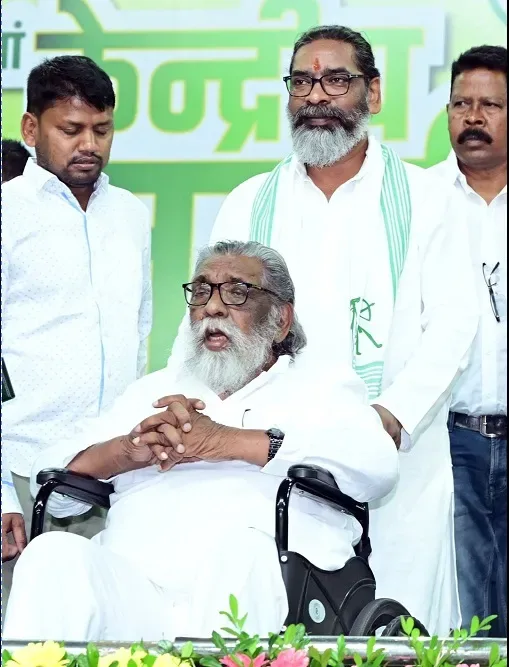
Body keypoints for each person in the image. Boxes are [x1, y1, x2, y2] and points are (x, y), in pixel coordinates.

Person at [167, 26, 479, 635]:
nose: (316, 96)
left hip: (397, 467)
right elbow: (205, 317)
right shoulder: (249, 201)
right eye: (302, 82)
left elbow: (454, 325)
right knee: (277, 631)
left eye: (336, 80)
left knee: (400, 634)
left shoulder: (427, 197)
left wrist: (391, 417)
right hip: (274, 464)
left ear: (373, 93)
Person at [4, 241, 399, 641]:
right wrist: (126, 452)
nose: (212, 307)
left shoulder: (320, 387)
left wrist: (228, 442)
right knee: (51, 555)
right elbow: (50, 480)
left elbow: (377, 463)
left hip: (261, 586)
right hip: (136, 593)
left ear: (281, 319)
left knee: (239, 552)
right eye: (201, 291)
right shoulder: (153, 391)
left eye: (237, 292)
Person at [1, 56, 152, 578]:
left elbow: (138, 335)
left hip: (116, 473)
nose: (89, 144)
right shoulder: (6, 213)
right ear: (30, 129)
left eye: (102, 130)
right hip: (22, 473)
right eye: (71, 130)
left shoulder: (131, 214)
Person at [428, 45, 507, 636]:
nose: (472, 117)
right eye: (461, 104)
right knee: (464, 619)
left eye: (491, 105)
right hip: (447, 442)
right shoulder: (420, 200)